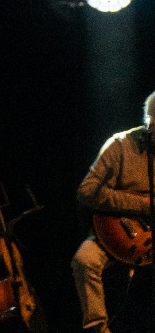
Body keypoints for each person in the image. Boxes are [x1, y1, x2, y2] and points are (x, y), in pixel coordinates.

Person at [72, 91, 155, 333]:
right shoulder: (119, 145)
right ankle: (98, 328)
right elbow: (86, 191)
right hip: (115, 233)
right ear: (149, 123)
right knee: (84, 260)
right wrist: (141, 204)